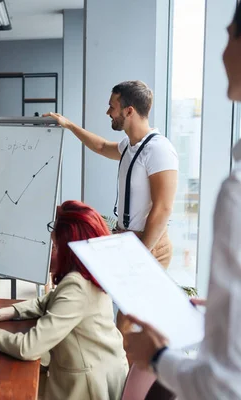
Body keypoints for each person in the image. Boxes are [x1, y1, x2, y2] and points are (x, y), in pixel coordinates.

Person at [123, 5, 241, 399]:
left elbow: (226, 383)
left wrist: (158, 360)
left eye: (228, 34)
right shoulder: (128, 147)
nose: (222, 50)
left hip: (144, 245)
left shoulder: (235, 191)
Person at [0, 201, 129, 400]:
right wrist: (4, 312)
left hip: (88, 387)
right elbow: (49, 301)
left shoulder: (77, 287)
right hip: (103, 369)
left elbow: (29, 347)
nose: (51, 251)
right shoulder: (88, 273)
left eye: (55, 246)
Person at [45, 81, 178, 269]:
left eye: (112, 107)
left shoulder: (159, 150)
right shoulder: (130, 146)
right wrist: (68, 125)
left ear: (129, 111)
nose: (108, 112)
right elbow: (101, 146)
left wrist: (141, 253)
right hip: (126, 238)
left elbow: (164, 207)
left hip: (149, 245)